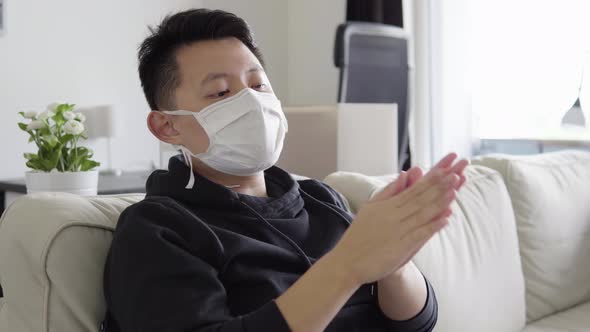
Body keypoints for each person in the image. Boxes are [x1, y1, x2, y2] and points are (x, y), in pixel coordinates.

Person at [102, 8, 468, 332]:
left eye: (259, 84)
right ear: (167, 126)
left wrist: (395, 263)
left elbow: (415, 323)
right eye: (220, 93)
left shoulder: (319, 198)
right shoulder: (158, 229)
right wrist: (345, 266)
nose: (252, 103)